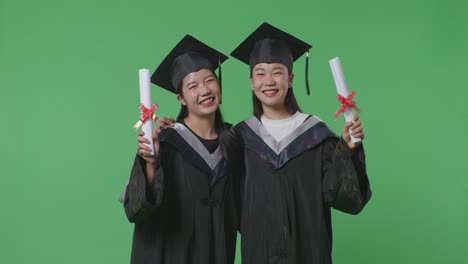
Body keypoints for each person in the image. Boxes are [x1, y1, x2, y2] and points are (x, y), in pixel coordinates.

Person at [230, 22, 372, 263]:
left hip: (309, 251)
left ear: (291, 78)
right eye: (260, 73)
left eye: (277, 72)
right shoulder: (239, 138)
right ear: (252, 82)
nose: (269, 81)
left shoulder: (316, 135)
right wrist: (174, 127)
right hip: (259, 253)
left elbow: (347, 199)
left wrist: (347, 149)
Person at [120, 35, 240, 264]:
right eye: (192, 86)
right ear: (181, 98)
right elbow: (136, 210)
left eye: (209, 80)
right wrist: (150, 163)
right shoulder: (165, 141)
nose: (204, 90)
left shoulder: (235, 142)